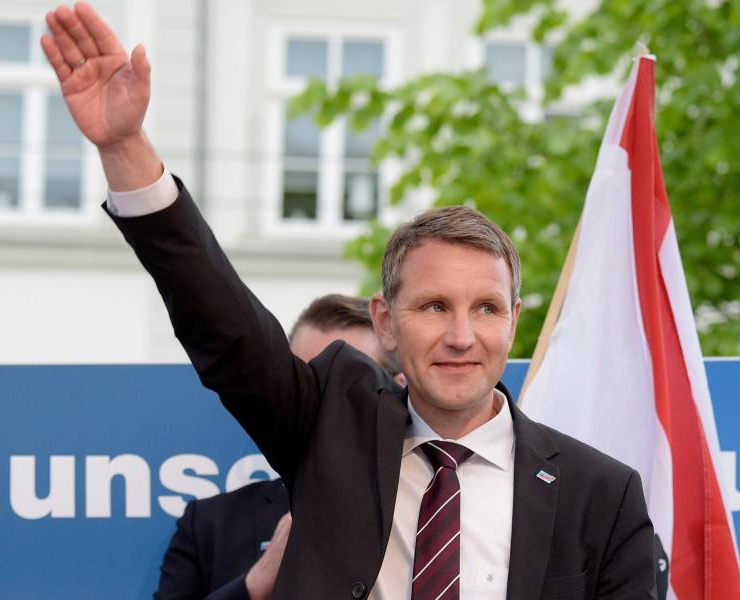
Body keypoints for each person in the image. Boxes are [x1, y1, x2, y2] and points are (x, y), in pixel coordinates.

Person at [42, 4, 657, 598]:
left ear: (514, 321)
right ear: (385, 322)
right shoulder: (329, 425)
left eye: (487, 309)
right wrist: (125, 148)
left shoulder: (600, 494)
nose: (462, 336)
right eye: (435, 306)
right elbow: (223, 323)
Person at [156, 294, 404, 600]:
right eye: (302, 381)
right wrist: (254, 584)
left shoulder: (437, 514)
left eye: (345, 389)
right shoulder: (210, 525)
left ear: (398, 389)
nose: (319, 406)